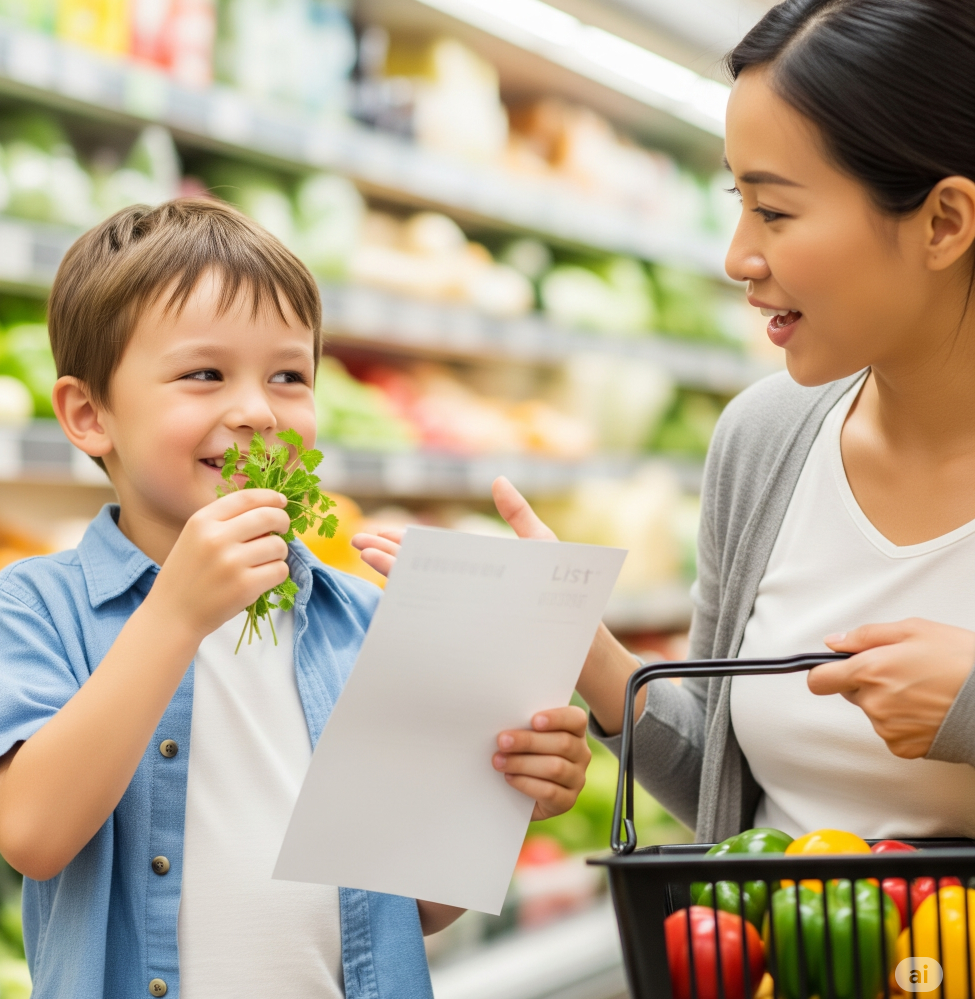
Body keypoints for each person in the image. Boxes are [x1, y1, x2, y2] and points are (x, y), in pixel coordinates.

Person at [355, 0, 975, 845]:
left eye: (776, 211)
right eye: (739, 201)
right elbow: (719, 790)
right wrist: (579, 643)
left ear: (943, 222)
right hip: (774, 978)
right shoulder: (764, 439)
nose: (737, 258)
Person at [0, 197, 593, 999]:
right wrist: (175, 615)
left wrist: (502, 795)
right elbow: (35, 835)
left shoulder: (361, 620)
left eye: (289, 376)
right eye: (205, 373)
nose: (259, 409)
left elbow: (412, 910)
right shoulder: (30, 607)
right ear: (89, 415)